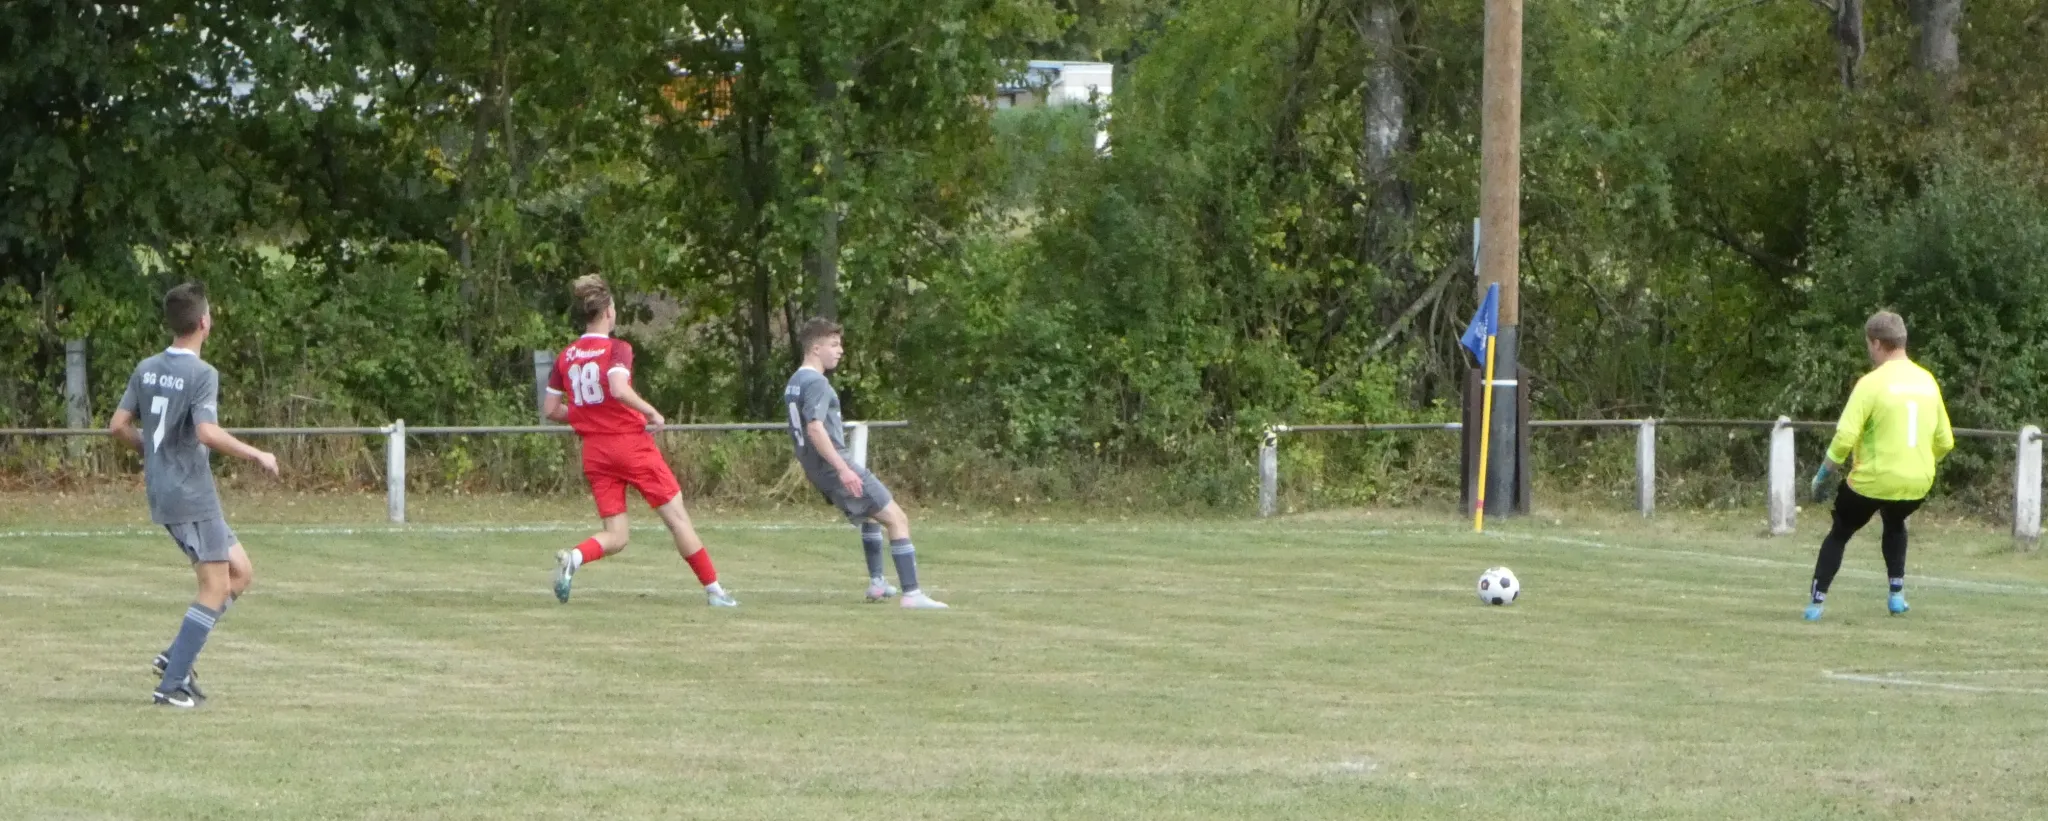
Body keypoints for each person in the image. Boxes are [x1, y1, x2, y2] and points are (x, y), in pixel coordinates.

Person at [108, 282, 279, 708]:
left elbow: (117, 426)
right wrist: (256, 454)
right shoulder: (202, 374)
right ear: (204, 322)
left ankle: (176, 655)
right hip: (190, 494)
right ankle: (171, 685)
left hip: (172, 489)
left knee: (240, 572)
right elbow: (206, 431)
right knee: (215, 586)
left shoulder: (146, 367)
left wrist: (152, 449)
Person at [547, 275, 736, 607]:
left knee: (617, 535)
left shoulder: (566, 356)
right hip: (630, 445)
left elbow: (550, 409)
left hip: (594, 452)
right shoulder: (617, 348)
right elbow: (618, 388)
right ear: (608, 312)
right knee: (677, 518)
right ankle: (715, 592)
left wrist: (584, 415)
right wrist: (652, 413)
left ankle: (574, 558)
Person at [784, 318, 947, 609]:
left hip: (816, 469)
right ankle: (912, 594)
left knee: (871, 514)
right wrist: (844, 469)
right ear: (816, 348)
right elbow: (815, 428)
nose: (840, 351)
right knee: (897, 519)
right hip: (834, 464)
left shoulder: (794, 382)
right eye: (834, 345)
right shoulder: (817, 382)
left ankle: (878, 584)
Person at [1805, 310, 1953, 621]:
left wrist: (1822, 475)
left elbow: (1845, 438)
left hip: (1873, 480)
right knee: (1896, 521)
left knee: (1840, 531)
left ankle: (1816, 603)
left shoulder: (1871, 384)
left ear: (1876, 343)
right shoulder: (1927, 381)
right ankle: (1896, 595)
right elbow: (1945, 441)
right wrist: (1921, 463)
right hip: (1917, 482)